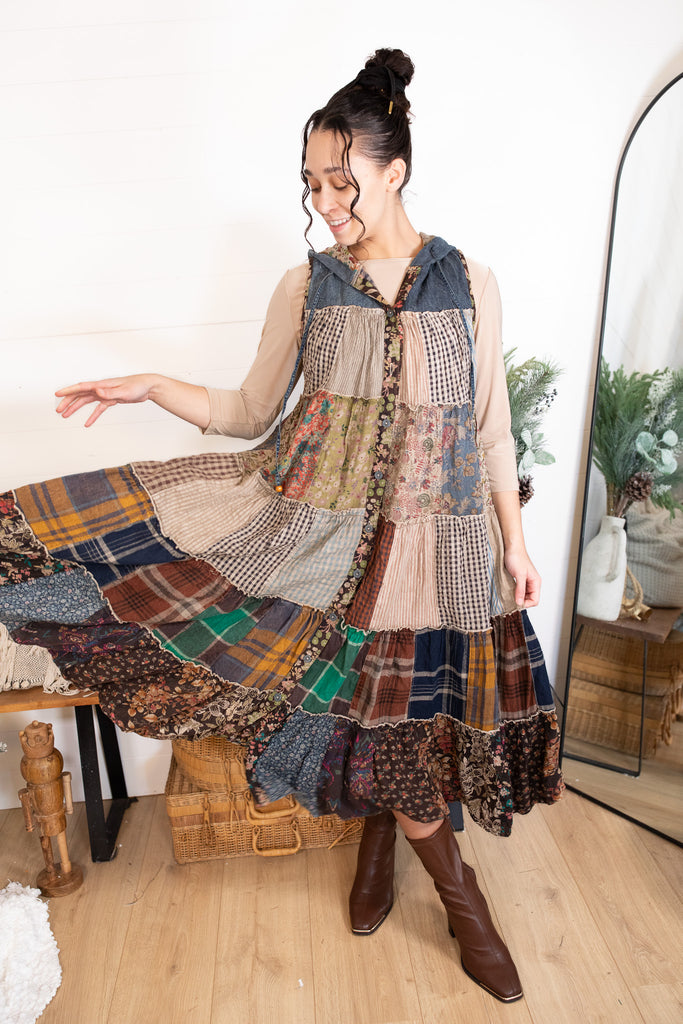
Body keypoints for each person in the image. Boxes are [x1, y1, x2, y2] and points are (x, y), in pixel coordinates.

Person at [3, 49, 563, 1004]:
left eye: (341, 180)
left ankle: (380, 848)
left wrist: (513, 542)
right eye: (311, 182)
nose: (323, 201)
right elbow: (248, 411)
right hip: (319, 544)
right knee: (381, 723)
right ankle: (464, 903)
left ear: (395, 170)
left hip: (441, 548)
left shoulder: (470, 281)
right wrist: (153, 384)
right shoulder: (306, 287)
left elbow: (491, 429)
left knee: (412, 721)